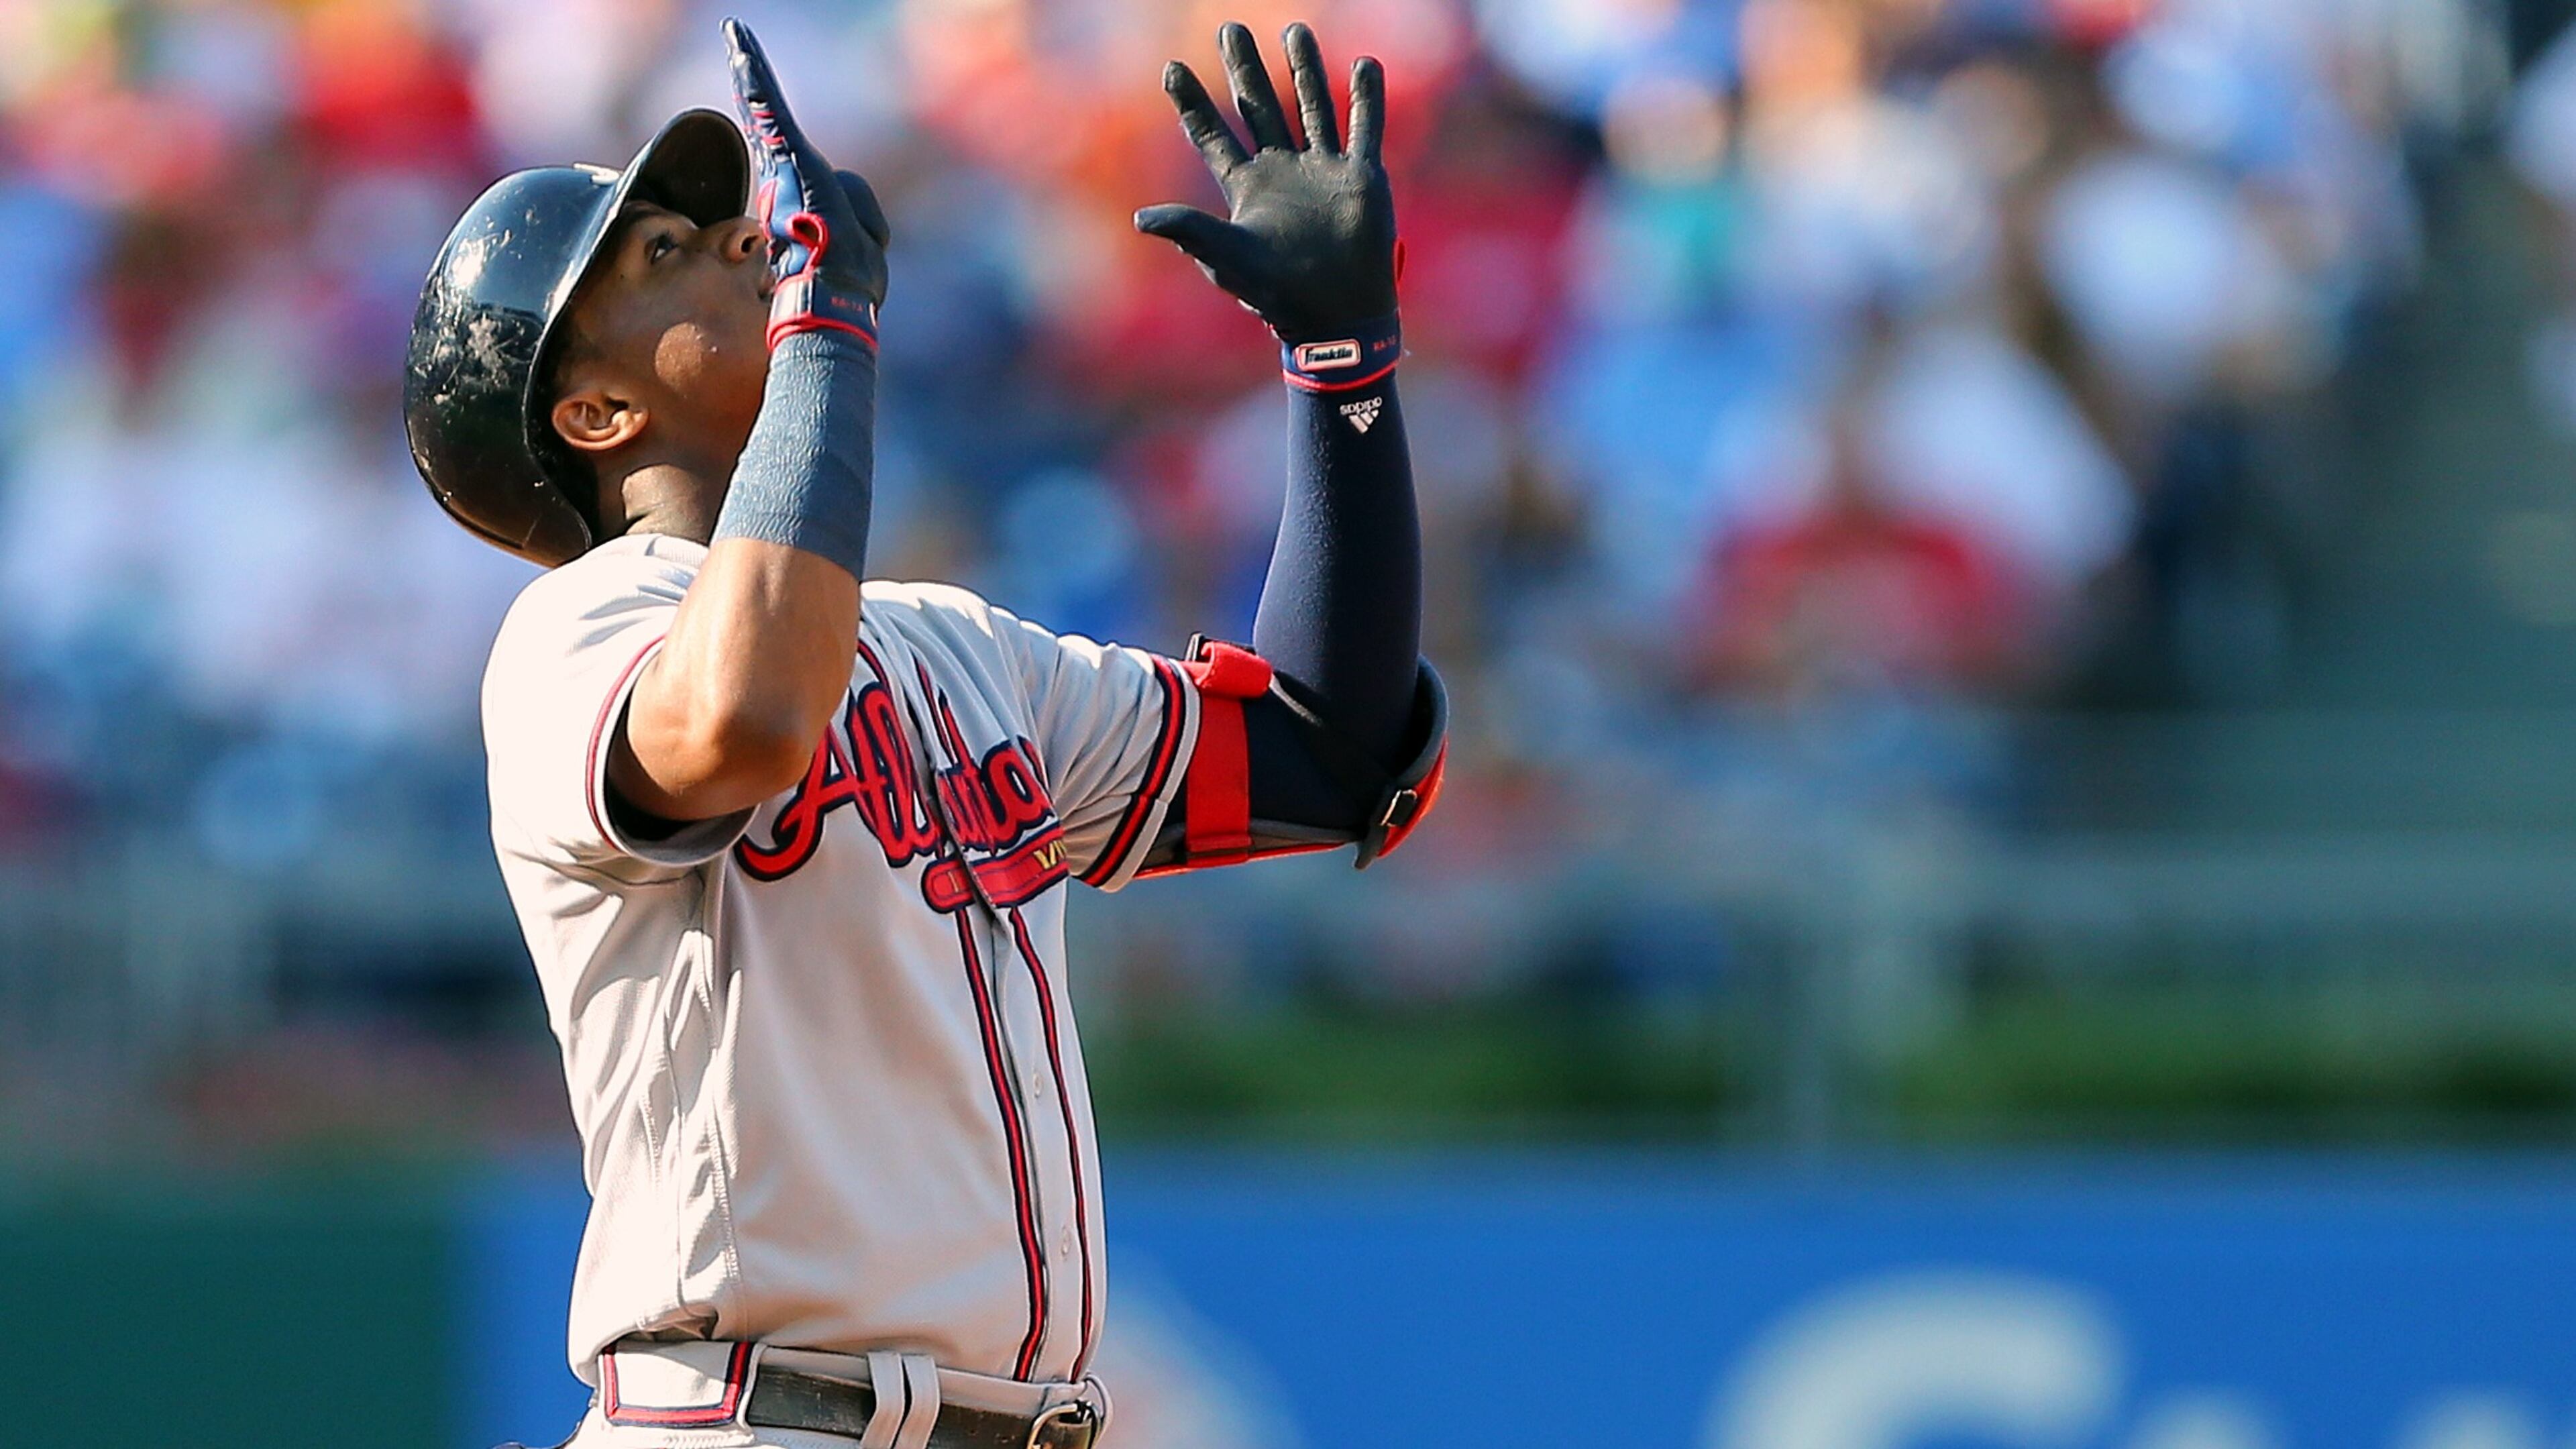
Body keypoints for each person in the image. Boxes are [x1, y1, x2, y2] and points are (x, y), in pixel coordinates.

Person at [402, 18, 1443, 1449]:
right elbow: (749, 721)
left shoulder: (955, 647)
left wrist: (1344, 370)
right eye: (661, 255)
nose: (737, 242)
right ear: (591, 409)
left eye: (718, 225)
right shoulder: (576, 634)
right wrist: (828, 325)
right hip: (754, 1415)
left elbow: (1327, 756)